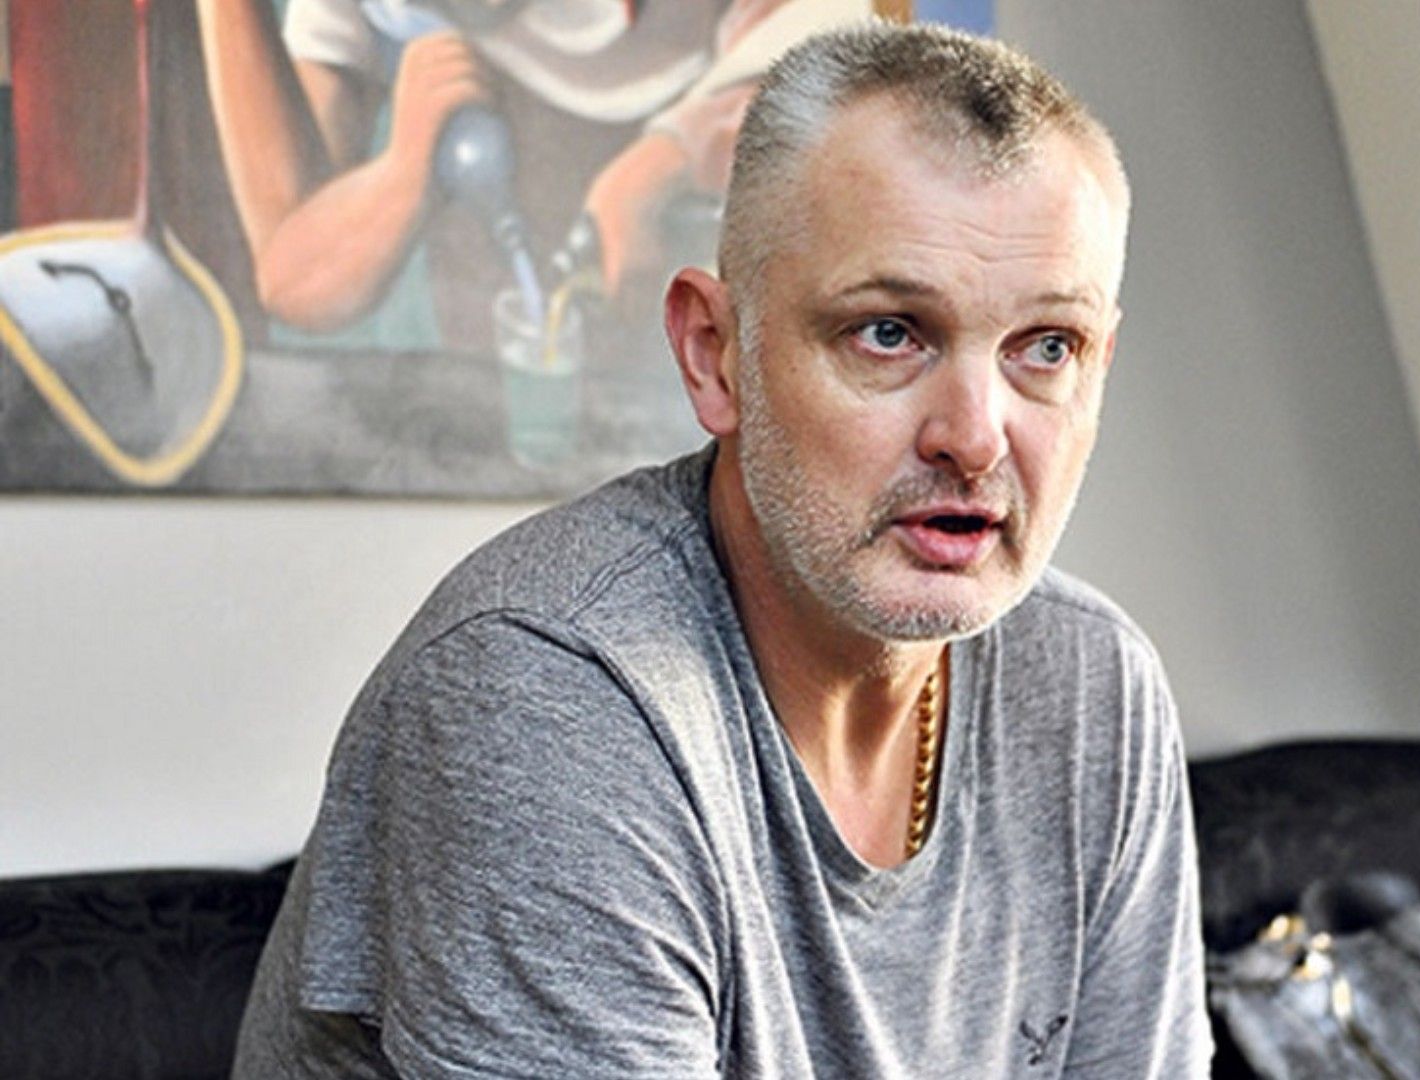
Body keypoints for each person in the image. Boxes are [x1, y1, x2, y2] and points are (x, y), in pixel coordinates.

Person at [234, 21, 1211, 1077]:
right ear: (715, 354)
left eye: (1047, 348)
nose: (974, 437)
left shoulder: (1092, 690)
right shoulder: (546, 692)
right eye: (889, 332)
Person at [196, 0, 869, 342]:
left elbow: (857, 53)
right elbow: (295, 278)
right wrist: (402, 171)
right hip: (493, 389)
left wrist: (661, 163)